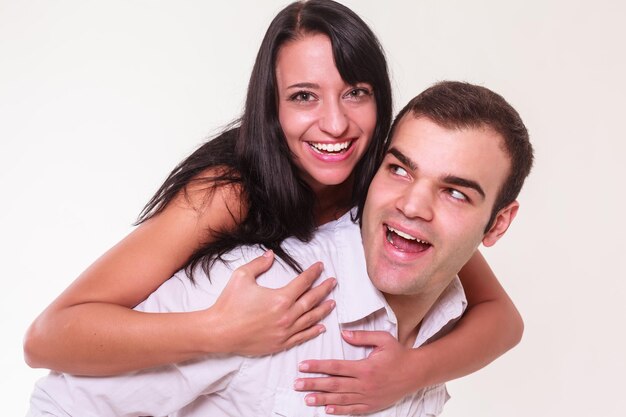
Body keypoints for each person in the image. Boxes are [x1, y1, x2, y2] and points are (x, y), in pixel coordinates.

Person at [23, 1, 523, 413]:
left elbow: (501, 318)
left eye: (356, 93)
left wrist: (409, 373)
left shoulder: (394, 190)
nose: (335, 124)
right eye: (304, 96)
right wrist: (220, 330)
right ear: (273, 108)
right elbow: (47, 339)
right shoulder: (229, 194)